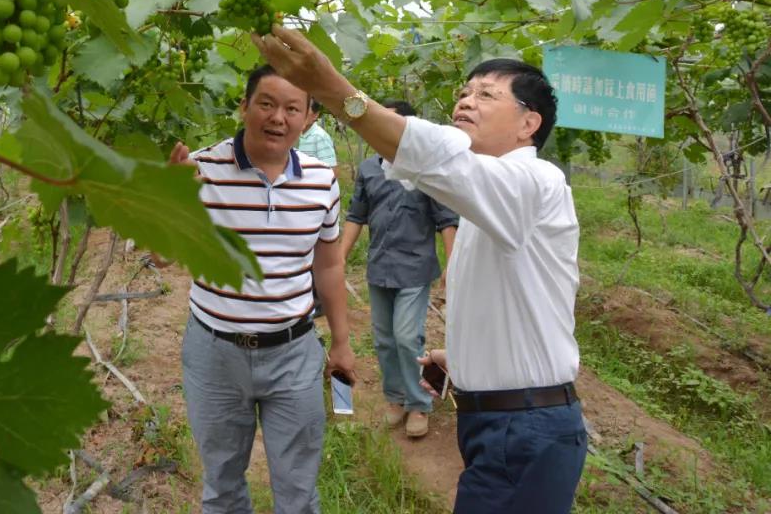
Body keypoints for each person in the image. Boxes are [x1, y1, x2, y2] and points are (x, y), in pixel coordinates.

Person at [253, 26, 586, 514]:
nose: (466, 101)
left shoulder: (536, 179)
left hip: (526, 429)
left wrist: (332, 87)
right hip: (506, 423)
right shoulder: (487, 198)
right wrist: (465, 357)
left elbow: (436, 157)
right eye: (464, 92)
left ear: (528, 123)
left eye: (487, 95)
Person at [168, 64, 355, 514]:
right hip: (214, 354)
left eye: (293, 108)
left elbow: (328, 266)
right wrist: (171, 199)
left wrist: (343, 344)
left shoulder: (320, 181)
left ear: (309, 117)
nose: (278, 118)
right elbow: (159, 257)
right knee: (222, 485)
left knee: (298, 491)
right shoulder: (203, 169)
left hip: (293, 353)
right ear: (244, 106)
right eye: (267, 104)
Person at [341, 99, 458, 439]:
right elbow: (356, 216)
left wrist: (453, 265)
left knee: (407, 337)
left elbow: (446, 220)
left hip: (415, 269)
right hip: (380, 267)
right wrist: (340, 256)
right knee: (384, 339)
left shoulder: (425, 171)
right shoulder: (369, 170)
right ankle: (395, 398)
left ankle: (419, 401)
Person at [296, 100, 337, 166]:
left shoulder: (320, 137)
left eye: (306, 110)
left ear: (315, 115)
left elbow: (331, 170)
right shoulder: (294, 135)